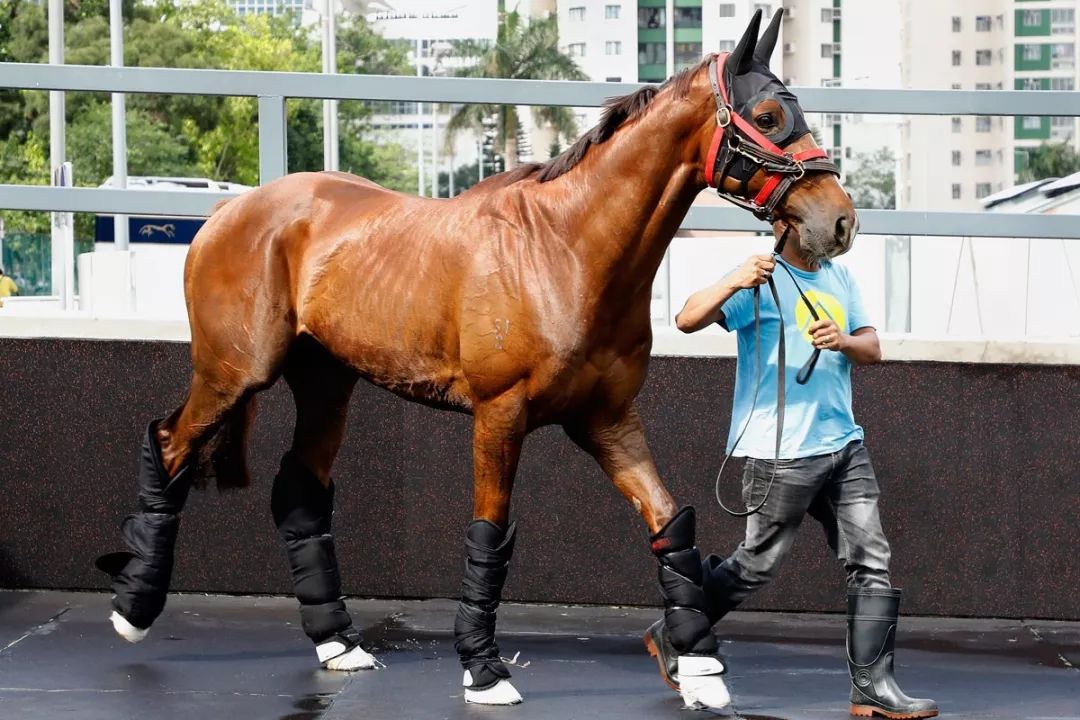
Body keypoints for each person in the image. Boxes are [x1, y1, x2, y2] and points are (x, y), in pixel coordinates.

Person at [644, 241, 938, 720]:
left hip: (844, 446)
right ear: (784, 223)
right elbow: (686, 318)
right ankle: (676, 631)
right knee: (757, 563)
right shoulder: (758, 278)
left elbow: (872, 348)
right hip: (780, 453)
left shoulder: (838, 276)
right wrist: (735, 279)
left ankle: (872, 687)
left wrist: (841, 340)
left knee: (872, 558)